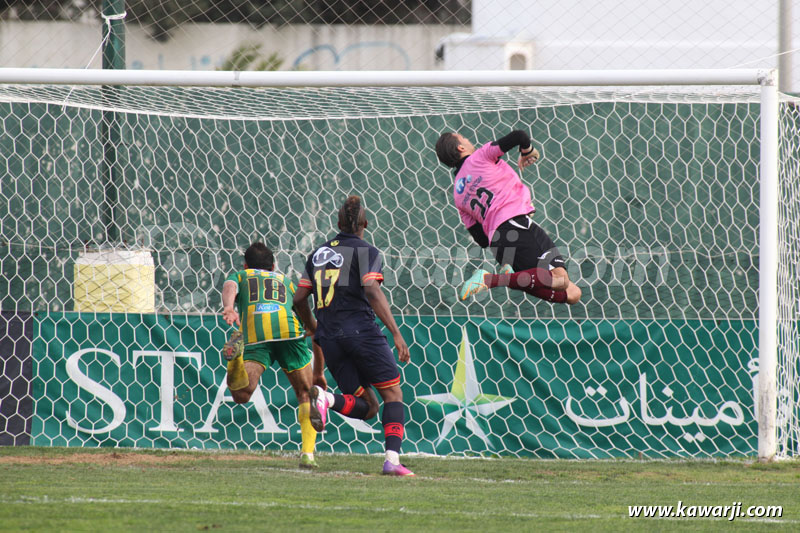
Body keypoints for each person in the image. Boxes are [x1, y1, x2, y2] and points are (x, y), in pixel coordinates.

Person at [293, 195, 415, 477]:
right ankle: (392, 460)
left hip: (331, 341)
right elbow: (372, 289)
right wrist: (396, 334)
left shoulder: (318, 254)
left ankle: (327, 400)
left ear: (337, 223)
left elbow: (299, 299)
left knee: (368, 406)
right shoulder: (366, 251)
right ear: (366, 224)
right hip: (362, 333)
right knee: (393, 394)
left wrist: (314, 328)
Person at [435, 130, 582, 305]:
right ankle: (492, 280)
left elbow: (481, 239)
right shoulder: (480, 156)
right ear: (460, 147)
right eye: (464, 138)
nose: (468, 140)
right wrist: (527, 152)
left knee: (572, 293)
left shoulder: (458, 196)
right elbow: (520, 136)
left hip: (498, 245)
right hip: (515, 225)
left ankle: (508, 279)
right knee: (560, 277)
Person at [221, 242, 326, 469]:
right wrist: (318, 370)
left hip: (257, 334)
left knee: (241, 395)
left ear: (246, 265)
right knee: (306, 394)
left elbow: (230, 285)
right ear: (274, 265)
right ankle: (308, 454)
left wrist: (229, 307)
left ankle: (236, 360)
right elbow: (306, 316)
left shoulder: (241, 275)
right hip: (288, 331)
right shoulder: (285, 281)